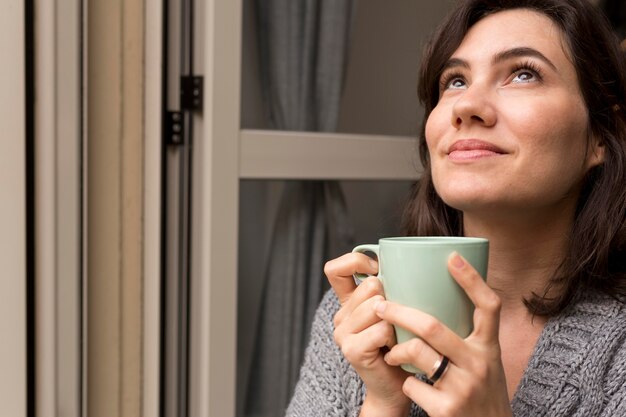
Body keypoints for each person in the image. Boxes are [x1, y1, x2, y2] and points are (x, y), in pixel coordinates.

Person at [285, 0, 626, 416]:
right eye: (455, 81)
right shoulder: (359, 314)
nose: (466, 107)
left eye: (523, 74)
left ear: (603, 137)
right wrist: (383, 402)